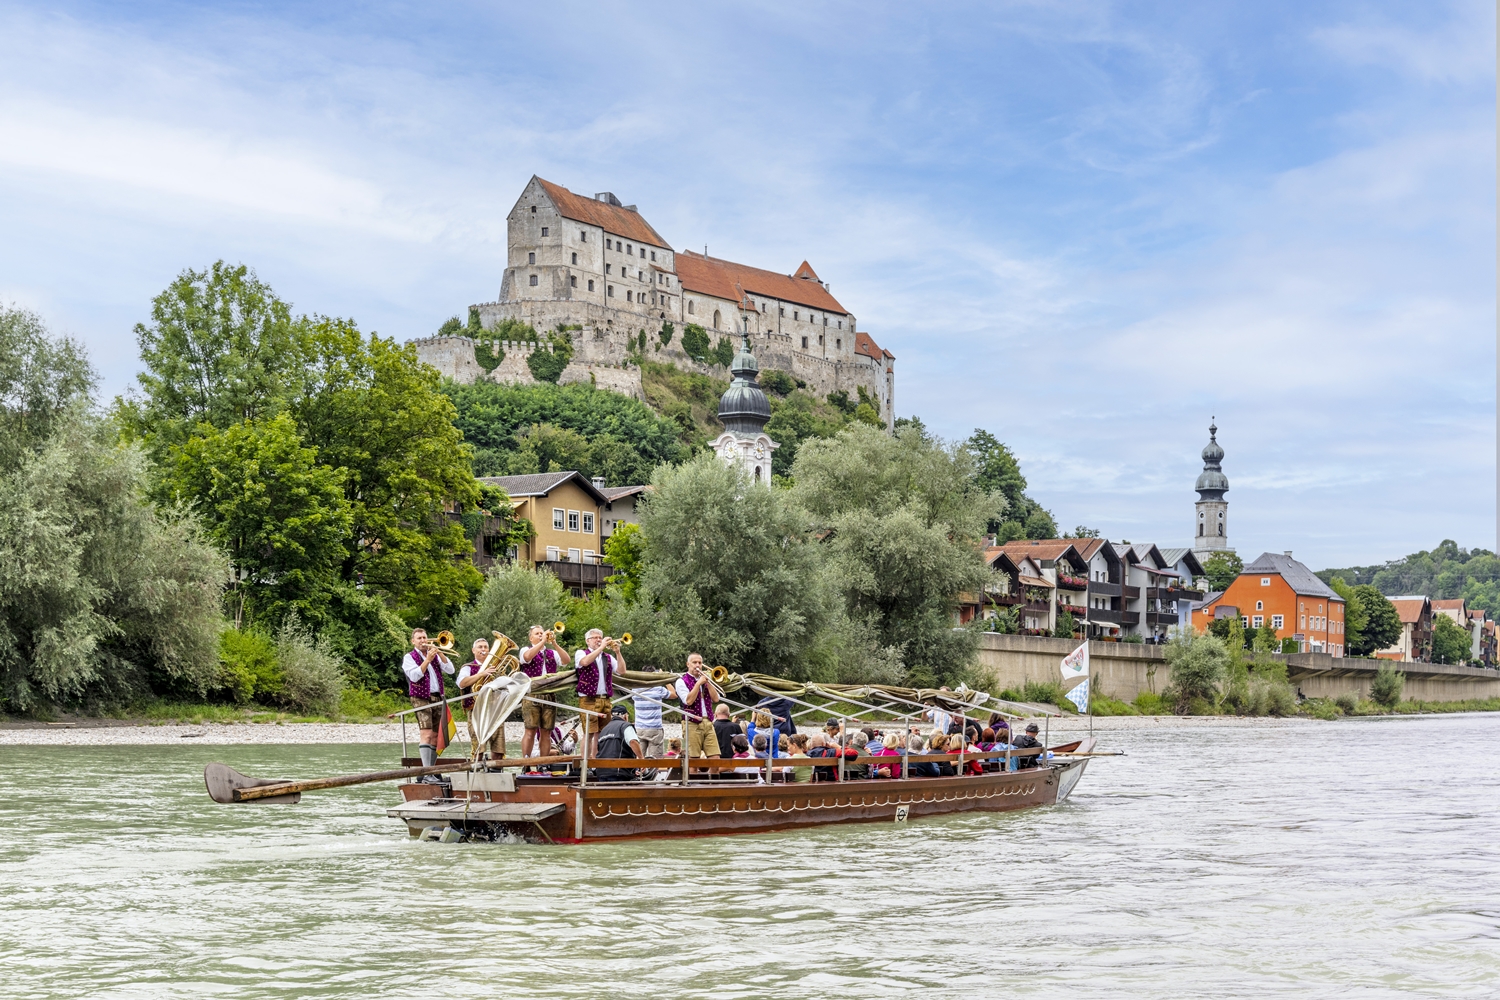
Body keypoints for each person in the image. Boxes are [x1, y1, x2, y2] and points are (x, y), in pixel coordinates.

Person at [402, 629, 455, 770]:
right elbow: (414, 676)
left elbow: (451, 670)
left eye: (424, 637)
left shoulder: (435, 655)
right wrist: (427, 660)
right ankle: (427, 772)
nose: (423, 640)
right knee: (426, 733)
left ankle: (431, 770)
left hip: (437, 696)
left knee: (436, 736)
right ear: (413, 641)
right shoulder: (409, 657)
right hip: (420, 697)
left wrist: (440, 652)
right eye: (419, 638)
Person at [575, 629, 626, 757]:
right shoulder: (581, 653)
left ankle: (597, 761)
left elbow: (622, 671)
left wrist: (618, 653)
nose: (598, 640)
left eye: (600, 637)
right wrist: (602, 647)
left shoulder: (607, 657)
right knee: (589, 733)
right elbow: (585, 662)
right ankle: (585, 763)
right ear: (588, 641)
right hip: (588, 698)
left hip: (605, 699)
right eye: (595, 638)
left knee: (602, 732)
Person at [519, 625, 568, 758]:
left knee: (546, 731)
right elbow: (527, 657)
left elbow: (566, 660)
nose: (541, 635)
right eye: (537, 634)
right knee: (530, 730)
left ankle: (544, 762)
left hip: (550, 694)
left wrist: (555, 644)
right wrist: (541, 642)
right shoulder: (526, 649)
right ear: (531, 638)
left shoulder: (553, 653)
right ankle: (526, 763)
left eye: (542, 633)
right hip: (532, 694)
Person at [456, 637, 505, 760]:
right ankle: (477, 774)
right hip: (476, 710)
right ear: (473, 650)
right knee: (478, 748)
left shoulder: (496, 667)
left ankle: (496, 773)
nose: (483, 649)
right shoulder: (467, 667)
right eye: (480, 647)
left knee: (498, 748)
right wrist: (482, 674)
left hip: (495, 710)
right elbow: (462, 683)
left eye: (486, 647)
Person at [674, 652, 721, 768]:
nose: (697, 665)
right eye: (694, 662)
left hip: (708, 722)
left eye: (700, 663)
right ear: (688, 664)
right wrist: (698, 683)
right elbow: (688, 701)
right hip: (691, 722)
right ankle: (692, 785)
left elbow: (716, 699)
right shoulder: (681, 681)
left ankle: (712, 784)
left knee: (715, 759)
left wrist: (708, 683)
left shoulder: (706, 680)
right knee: (693, 762)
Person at [631, 677, 676, 760]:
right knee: (655, 760)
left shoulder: (635, 689)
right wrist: (665, 679)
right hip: (654, 728)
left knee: (638, 758)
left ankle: (638, 772)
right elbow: (674, 694)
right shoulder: (658, 689)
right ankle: (653, 772)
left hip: (639, 728)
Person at [594, 706, 643, 781]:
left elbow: (597, 750)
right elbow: (633, 741)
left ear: (611, 716)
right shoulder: (625, 726)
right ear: (625, 716)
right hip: (619, 773)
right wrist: (641, 759)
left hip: (601, 772)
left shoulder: (604, 729)